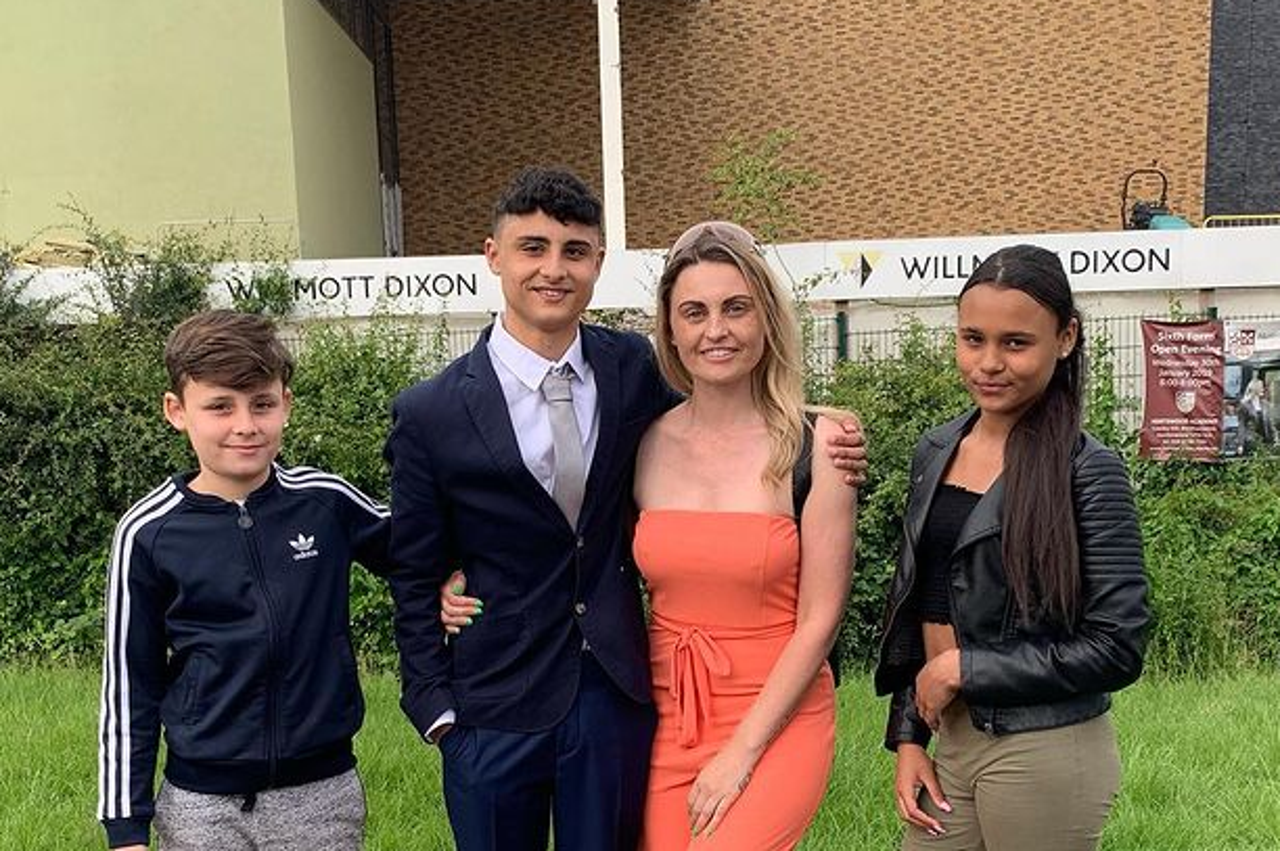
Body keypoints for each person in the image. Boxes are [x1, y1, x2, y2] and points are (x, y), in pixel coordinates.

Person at [384, 168, 865, 851]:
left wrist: (823, 423)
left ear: (598, 262)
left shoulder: (631, 372)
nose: (554, 269)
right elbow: (412, 564)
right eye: (532, 248)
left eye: (574, 251)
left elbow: (731, 421)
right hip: (492, 708)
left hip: (612, 701)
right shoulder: (430, 410)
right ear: (493, 255)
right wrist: (434, 704)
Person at [874, 244, 1150, 851]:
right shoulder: (936, 449)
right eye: (973, 339)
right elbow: (917, 603)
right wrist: (910, 735)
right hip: (951, 739)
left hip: (1042, 747)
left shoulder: (1086, 470)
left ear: (1066, 338)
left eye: (1016, 343)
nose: (989, 363)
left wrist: (965, 668)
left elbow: (1117, 646)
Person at [97, 310, 391, 850]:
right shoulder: (148, 531)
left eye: (262, 403)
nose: (245, 425)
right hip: (202, 805)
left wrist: (451, 581)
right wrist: (126, 828)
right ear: (176, 411)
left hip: (322, 794)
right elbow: (129, 683)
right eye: (220, 406)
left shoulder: (325, 502)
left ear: (286, 404)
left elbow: (418, 553)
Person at [632, 221, 854, 849]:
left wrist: (742, 752)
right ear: (670, 329)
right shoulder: (643, 444)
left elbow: (820, 620)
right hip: (666, 714)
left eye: (736, 308)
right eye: (694, 312)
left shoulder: (818, 445)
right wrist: (459, 577)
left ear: (766, 319)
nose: (716, 330)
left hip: (778, 714)